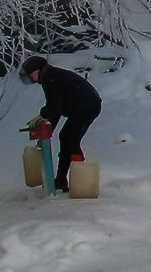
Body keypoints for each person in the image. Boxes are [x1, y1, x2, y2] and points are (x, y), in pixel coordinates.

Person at [20, 55, 101, 192]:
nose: (29, 79)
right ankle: (62, 180)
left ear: (37, 72)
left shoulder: (50, 79)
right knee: (66, 138)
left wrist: (43, 116)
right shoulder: (51, 76)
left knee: (70, 140)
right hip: (82, 108)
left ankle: (80, 182)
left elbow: (55, 107)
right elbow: (56, 109)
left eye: (30, 75)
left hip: (87, 107)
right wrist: (46, 128)